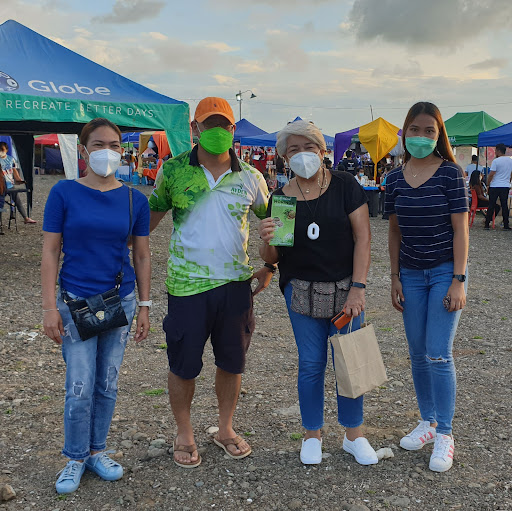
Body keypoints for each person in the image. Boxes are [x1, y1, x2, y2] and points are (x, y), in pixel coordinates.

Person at [149, 97, 273, 468]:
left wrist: (270, 266)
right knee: (183, 365)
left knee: (232, 363)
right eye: (209, 124)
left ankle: (226, 429)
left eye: (224, 125)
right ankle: (184, 433)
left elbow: (276, 226)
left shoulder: (251, 177)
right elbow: (147, 223)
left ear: (233, 130)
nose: (217, 131)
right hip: (186, 288)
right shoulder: (172, 171)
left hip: (235, 287)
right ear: (195, 128)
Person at [258, 120, 378, 467]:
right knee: (311, 363)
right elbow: (274, 256)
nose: (302, 154)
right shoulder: (281, 198)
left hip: (346, 288)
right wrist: (266, 240)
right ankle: (312, 434)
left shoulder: (344, 185)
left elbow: (363, 238)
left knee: (351, 360)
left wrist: (358, 287)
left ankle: (354, 434)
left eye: (308, 147)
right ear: (284, 157)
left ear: (322, 150)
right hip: (300, 291)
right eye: (293, 149)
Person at [41, 118, 151, 494]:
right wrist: (48, 307)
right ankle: (74, 456)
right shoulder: (63, 193)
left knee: (107, 382)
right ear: (83, 151)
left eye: (115, 145)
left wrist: (146, 305)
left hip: (119, 301)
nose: (108, 151)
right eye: (99, 144)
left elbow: (141, 255)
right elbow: (50, 251)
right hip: (75, 303)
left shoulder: (135, 199)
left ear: (123, 150)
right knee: (79, 385)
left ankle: (96, 451)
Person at [385, 101, 469, 473]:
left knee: (438, 353)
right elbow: (394, 230)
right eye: (415, 130)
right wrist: (394, 276)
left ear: (439, 135)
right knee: (417, 353)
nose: (421, 136)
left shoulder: (451, 174)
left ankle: (445, 434)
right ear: (405, 132)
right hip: (411, 274)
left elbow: (461, 229)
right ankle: (428, 422)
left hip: (444, 272)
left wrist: (458, 280)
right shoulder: (394, 178)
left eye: (429, 131)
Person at [0, 141, 37, 224]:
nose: (1, 152)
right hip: (1, 186)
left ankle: (26, 218)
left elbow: (14, 170)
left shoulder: (11, 159)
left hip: (10, 185)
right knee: (0, 204)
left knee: (18, 201)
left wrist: (19, 180)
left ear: (6, 150)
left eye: (2, 149)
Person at [485, 143, 512, 230]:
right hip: (505, 186)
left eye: (495, 150)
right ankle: (506, 224)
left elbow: (491, 174)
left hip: (495, 185)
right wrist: (508, 181)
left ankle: (487, 223)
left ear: (498, 151)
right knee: (504, 205)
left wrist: (488, 183)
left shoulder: (496, 161)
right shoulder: (510, 161)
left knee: (491, 204)